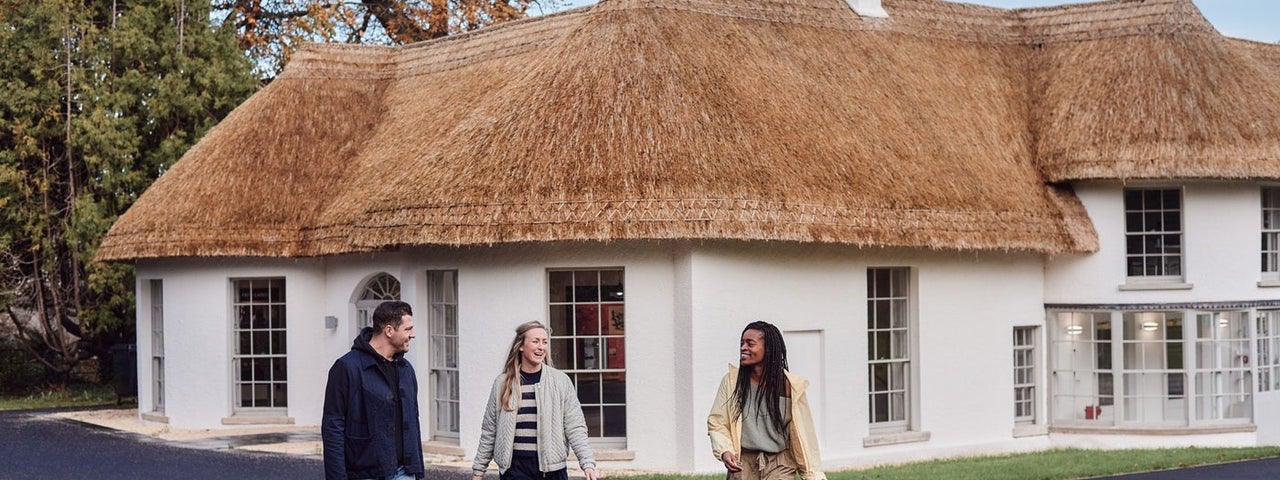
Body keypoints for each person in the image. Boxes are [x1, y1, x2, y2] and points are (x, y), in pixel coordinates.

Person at [472, 321, 598, 480]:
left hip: (552, 472)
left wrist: (587, 462)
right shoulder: (502, 383)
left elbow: (575, 426)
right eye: (535, 341)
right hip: (514, 470)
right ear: (521, 346)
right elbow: (489, 430)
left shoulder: (560, 381)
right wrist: (478, 471)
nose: (541, 347)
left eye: (544, 342)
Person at [708, 321, 826, 480]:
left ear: (768, 349)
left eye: (750, 344)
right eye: (742, 343)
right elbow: (717, 422)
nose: (743, 348)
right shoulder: (731, 382)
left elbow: (804, 436)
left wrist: (813, 475)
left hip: (780, 462)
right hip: (743, 462)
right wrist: (725, 450)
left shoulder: (790, 387)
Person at [322, 301, 425, 480]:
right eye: (408, 329)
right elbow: (333, 428)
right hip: (364, 474)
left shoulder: (406, 369)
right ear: (389, 331)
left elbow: (413, 423)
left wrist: (418, 472)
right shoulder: (346, 367)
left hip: (405, 473)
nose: (413, 335)